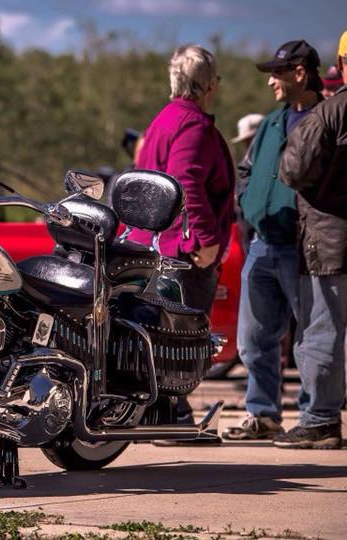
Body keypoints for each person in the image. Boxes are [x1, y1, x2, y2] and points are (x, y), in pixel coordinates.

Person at [127, 45, 235, 443]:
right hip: (181, 251)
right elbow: (185, 181)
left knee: (163, 334)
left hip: (156, 244)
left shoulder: (163, 120)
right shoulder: (192, 125)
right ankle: (170, 416)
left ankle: (169, 414)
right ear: (208, 84)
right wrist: (206, 240)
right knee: (183, 337)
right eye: (217, 80)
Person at [223, 40, 323, 441]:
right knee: (254, 339)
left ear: (300, 73)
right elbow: (245, 172)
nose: (271, 82)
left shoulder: (324, 119)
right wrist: (248, 203)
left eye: (277, 73)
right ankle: (263, 414)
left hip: (302, 247)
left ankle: (315, 417)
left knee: (310, 339)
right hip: (262, 244)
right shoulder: (271, 123)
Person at [276, 31, 347, 449]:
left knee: (322, 331)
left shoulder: (330, 113)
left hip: (330, 241)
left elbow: (294, 171)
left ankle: (321, 418)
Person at [231, 113, 265, 255]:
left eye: (250, 140)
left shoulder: (270, 165)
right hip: (248, 235)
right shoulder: (246, 165)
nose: (247, 145)